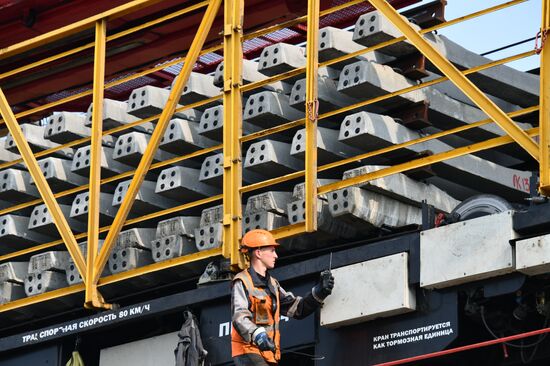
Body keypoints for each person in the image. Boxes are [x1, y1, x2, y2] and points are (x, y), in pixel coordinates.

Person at [231, 229, 335, 366]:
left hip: (268, 354)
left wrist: (320, 292)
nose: (276, 255)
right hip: (247, 351)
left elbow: (297, 309)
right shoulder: (242, 281)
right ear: (258, 253)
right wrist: (258, 334)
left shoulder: (273, 284)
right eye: (272, 251)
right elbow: (239, 317)